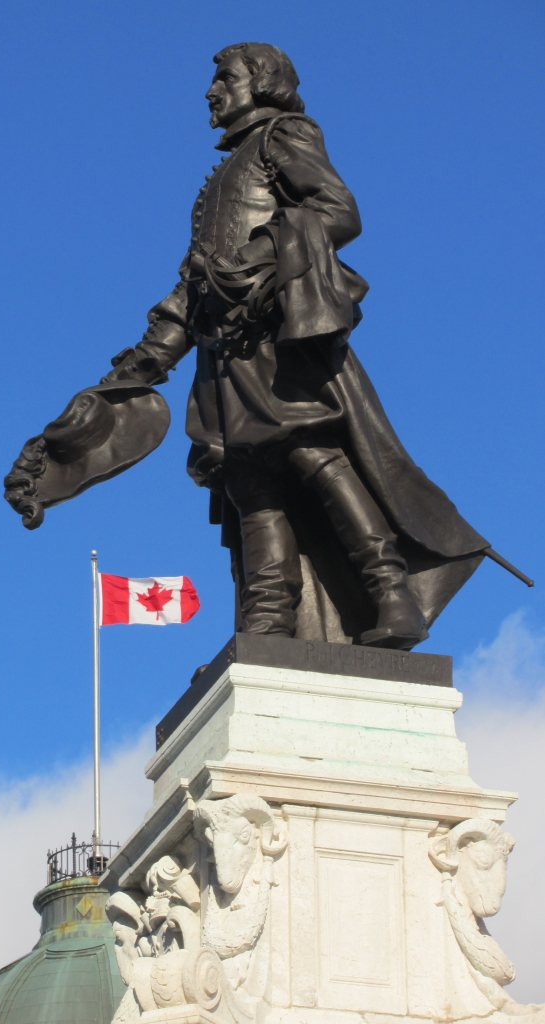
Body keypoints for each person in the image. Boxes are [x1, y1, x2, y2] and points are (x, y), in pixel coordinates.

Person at [98, 44, 489, 649]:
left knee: (310, 455)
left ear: (262, 83)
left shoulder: (283, 135)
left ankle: (393, 595)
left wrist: (255, 259)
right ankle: (267, 624)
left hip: (269, 340)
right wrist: (141, 364)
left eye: (225, 78)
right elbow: (194, 287)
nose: (211, 92)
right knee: (250, 484)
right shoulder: (223, 174)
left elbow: (338, 211)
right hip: (221, 354)